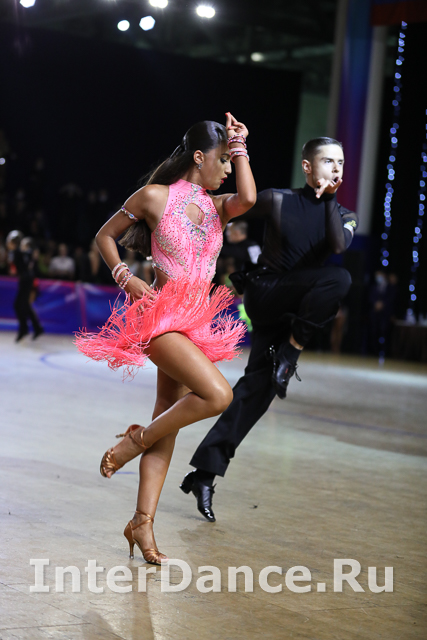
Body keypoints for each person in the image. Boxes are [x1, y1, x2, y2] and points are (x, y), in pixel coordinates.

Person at [75, 115, 256, 564]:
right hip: (160, 318)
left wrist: (239, 146)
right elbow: (105, 235)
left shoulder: (218, 207)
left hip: (195, 323)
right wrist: (125, 276)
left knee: (168, 417)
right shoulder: (155, 197)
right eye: (222, 160)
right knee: (218, 395)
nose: (228, 169)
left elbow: (250, 197)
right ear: (199, 157)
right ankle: (134, 441)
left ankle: (142, 521)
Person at [180, 136, 358, 522]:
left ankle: (204, 473)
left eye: (341, 163)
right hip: (266, 294)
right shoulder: (278, 199)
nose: (336, 168)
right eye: (328, 161)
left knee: (257, 391)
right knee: (339, 279)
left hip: (296, 309)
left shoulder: (344, 216)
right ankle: (291, 353)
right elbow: (221, 206)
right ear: (307, 167)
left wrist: (329, 198)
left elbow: (337, 245)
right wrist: (174, 217)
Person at [6, 230, 44, 342]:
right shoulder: (20, 252)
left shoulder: (16, 252)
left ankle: (25, 329)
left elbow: (14, 270)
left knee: (18, 305)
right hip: (26, 280)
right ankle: (35, 328)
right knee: (24, 305)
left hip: (26, 280)